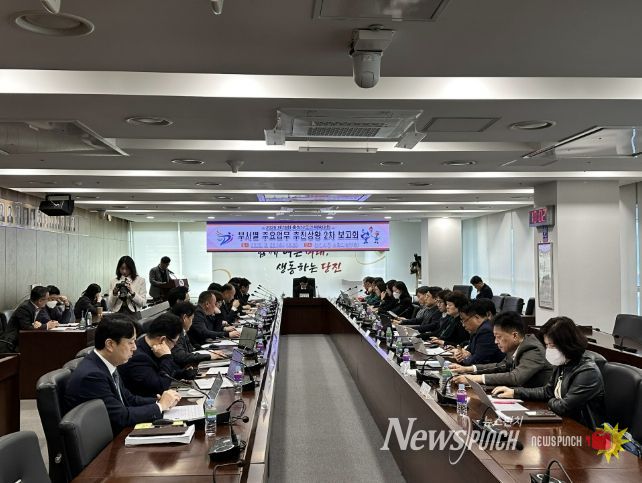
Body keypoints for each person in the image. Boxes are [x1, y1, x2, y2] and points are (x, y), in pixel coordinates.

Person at [64, 315, 181, 436]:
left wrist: (158, 401)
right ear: (110, 344)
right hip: (109, 441)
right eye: (130, 342)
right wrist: (160, 406)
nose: (135, 348)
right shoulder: (92, 376)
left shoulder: (106, 364)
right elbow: (120, 417)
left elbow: (129, 399)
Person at [492, 316, 605, 429]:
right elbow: (547, 391)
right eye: (547, 345)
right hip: (564, 423)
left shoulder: (587, 371)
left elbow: (563, 407)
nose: (549, 350)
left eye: (552, 345)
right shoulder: (563, 363)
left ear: (567, 343)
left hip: (584, 430)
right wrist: (515, 392)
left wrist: (550, 400)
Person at [451, 311, 553, 387]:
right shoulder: (515, 346)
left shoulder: (533, 349)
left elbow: (515, 377)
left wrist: (474, 378)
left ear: (514, 335)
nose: (496, 341)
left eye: (498, 337)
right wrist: (467, 369)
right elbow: (500, 366)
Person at [118, 313, 184, 397]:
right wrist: (166, 357)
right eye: (174, 343)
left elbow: (164, 371)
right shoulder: (138, 357)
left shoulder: (148, 345)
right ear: (162, 339)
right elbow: (160, 387)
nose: (174, 346)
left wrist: (183, 374)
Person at [0, 286, 59, 352]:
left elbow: (43, 321)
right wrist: (47, 326)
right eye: (47, 299)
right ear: (40, 301)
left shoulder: (37, 306)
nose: (48, 301)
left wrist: (47, 323)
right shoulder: (24, 308)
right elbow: (26, 328)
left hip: (26, 339)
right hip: (13, 344)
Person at [170, 302, 226, 368]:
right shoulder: (175, 333)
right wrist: (209, 356)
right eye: (191, 318)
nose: (192, 322)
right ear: (185, 318)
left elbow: (191, 351)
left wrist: (210, 352)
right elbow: (182, 356)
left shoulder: (183, 331)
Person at [452, 299, 504, 365]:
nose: (463, 325)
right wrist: (461, 354)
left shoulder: (486, 331)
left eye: (464, 320)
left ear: (476, 317)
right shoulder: (477, 330)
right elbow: (468, 351)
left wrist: (465, 358)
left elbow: (478, 360)